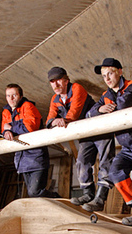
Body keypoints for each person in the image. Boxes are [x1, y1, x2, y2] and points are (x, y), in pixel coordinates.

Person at [85, 58, 132, 226]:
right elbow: (90, 113)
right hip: (127, 148)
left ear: (120, 71)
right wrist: (99, 109)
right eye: (104, 76)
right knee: (115, 171)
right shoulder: (106, 95)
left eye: (110, 73)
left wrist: (106, 109)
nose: (107, 79)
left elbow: (124, 105)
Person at [45, 66, 115, 208]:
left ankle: (101, 198)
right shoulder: (55, 99)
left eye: (59, 81)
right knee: (82, 162)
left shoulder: (77, 88)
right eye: (52, 82)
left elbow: (73, 115)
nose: (56, 85)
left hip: (99, 127)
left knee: (105, 160)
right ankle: (88, 193)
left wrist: (62, 120)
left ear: (66, 81)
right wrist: (54, 121)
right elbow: (49, 120)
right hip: (85, 133)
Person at [1, 84, 59, 198]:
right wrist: (6, 132)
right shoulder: (6, 112)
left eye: (14, 95)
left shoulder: (28, 106)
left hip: (36, 156)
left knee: (35, 192)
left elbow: (29, 128)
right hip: (22, 159)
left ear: (21, 96)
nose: (11, 99)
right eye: (8, 96)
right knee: (33, 195)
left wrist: (11, 127)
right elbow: (4, 128)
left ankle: (59, 198)